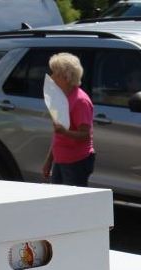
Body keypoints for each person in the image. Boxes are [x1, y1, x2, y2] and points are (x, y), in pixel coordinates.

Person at [42, 52, 95, 187]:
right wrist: (49, 161)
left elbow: (85, 135)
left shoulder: (80, 101)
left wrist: (65, 131)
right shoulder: (60, 97)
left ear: (66, 77)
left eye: (55, 73)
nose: (52, 77)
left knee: (74, 204)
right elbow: (58, 135)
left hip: (76, 162)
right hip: (61, 159)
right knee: (59, 201)